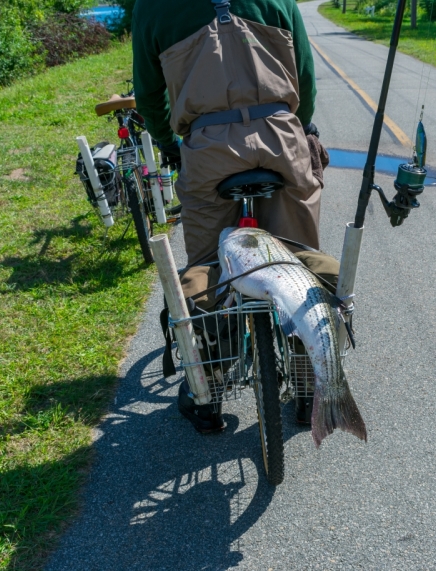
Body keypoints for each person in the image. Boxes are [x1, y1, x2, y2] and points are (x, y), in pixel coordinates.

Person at [133, 0, 328, 433]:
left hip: (208, 149)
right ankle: (305, 380)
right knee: (296, 259)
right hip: (281, 139)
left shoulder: (151, 7)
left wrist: (170, 143)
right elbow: (306, 79)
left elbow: (147, 94)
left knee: (210, 268)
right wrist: (300, 126)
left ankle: (210, 386)